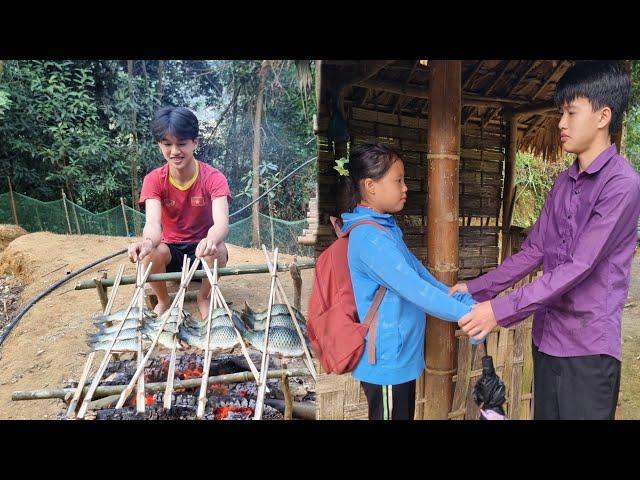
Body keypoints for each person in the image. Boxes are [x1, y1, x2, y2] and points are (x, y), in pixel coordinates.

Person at [450, 61, 640, 419]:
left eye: (570, 112)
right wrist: (479, 289)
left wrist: (500, 310)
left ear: (603, 116)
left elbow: (579, 267)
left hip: (588, 350)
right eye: (560, 113)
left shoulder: (622, 185)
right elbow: (535, 250)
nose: (561, 123)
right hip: (547, 339)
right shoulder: (563, 182)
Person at [340, 141, 477, 420]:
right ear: (371, 186)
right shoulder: (369, 239)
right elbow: (417, 292)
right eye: (398, 180)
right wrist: (469, 315)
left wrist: (461, 299)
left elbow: (421, 276)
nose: (405, 188)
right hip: (387, 362)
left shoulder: (386, 229)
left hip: (398, 356)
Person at [127, 106, 232, 320]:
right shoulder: (154, 179)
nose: (175, 151)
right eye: (167, 144)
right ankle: (164, 300)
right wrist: (147, 242)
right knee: (150, 253)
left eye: (182, 143)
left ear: (195, 142)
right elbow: (153, 223)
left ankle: (204, 296)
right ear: (159, 145)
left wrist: (211, 240)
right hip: (171, 254)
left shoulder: (214, 177)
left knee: (218, 247)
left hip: (203, 252)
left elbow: (221, 223)